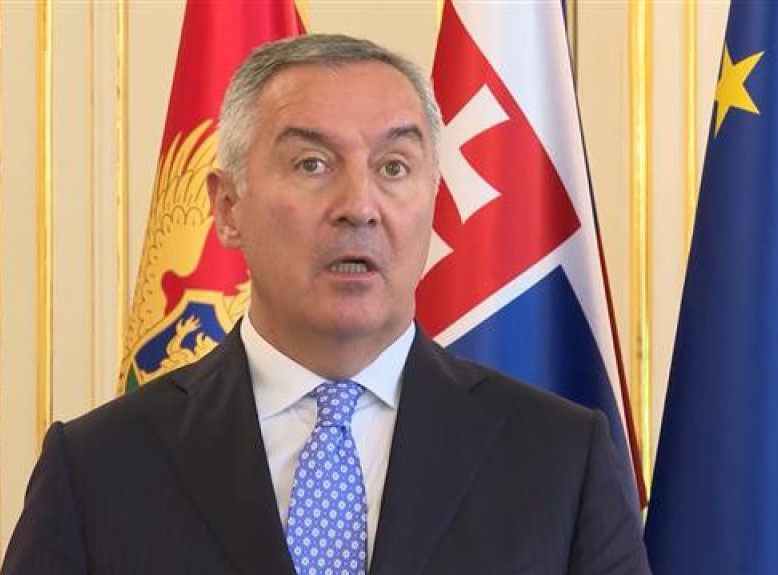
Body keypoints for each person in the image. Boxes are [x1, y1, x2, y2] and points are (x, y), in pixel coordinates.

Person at [1, 34, 650, 574]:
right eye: (312, 164)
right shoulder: (97, 469)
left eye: (393, 167)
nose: (359, 206)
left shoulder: (561, 461)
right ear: (227, 207)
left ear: (434, 199)